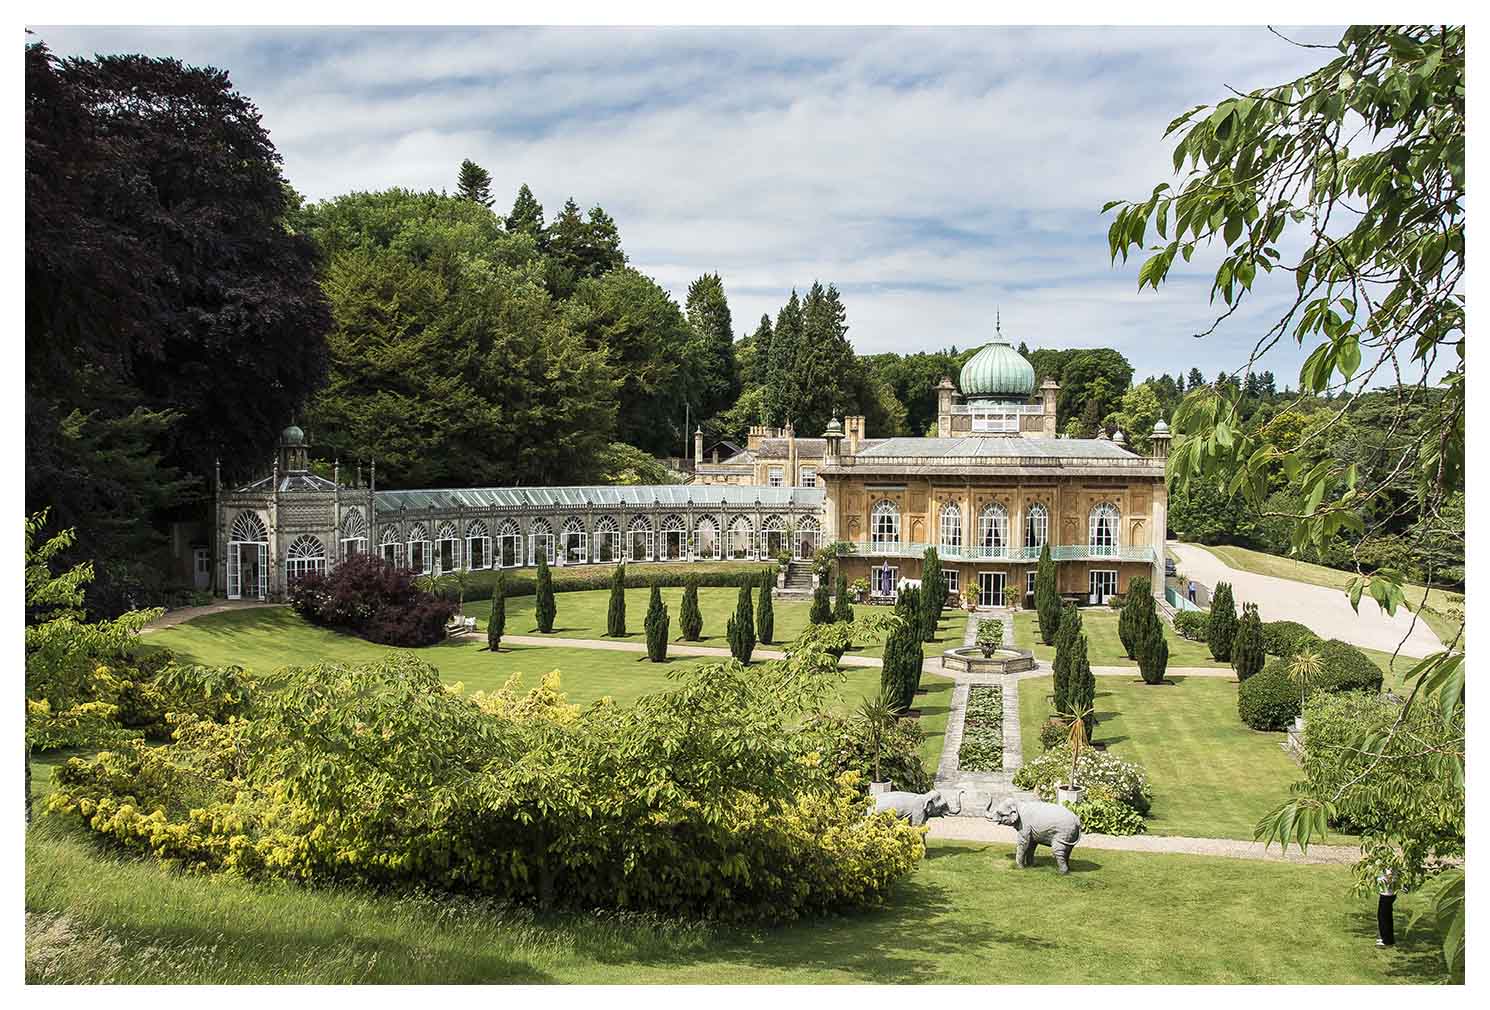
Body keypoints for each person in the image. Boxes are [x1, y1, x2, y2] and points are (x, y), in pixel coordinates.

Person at [1377, 867, 1398, 947]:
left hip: (1387, 893)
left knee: (1383, 917)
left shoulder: (1387, 861)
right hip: (1388, 893)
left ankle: (1386, 940)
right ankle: (1389, 939)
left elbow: (1389, 875)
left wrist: (1388, 883)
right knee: (1387, 917)